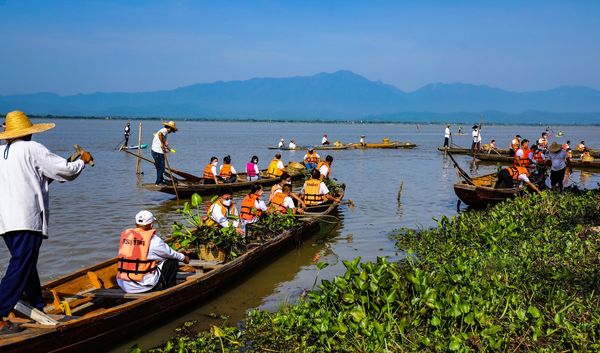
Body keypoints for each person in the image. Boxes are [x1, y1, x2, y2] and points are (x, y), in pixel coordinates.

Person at [0, 111, 92, 334]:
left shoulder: (2, 152)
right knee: (22, 263)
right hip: (26, 218)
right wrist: (82, 161)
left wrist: (70, 161)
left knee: (26, 263)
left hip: (5, 220)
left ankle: (35, 303)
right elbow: (66, 172)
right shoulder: (32, 148)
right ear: (28, 133)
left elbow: (38, 175)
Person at [116, 211, 189, 294]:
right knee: (172, 261)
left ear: (136, 224)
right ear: (151, 225)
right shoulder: (154, 240)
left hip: (123, 285)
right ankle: (170, 290)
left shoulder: (126, 236)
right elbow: (171, 254)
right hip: (143, 286)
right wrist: (184, 257)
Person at [151, 121, 177, 186]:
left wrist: (167, 148)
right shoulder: (164, 130)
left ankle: (161, 180)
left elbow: (163, 140)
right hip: (157, 152)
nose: (171, 131)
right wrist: (162, 144)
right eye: (172, 130)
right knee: (161, 167)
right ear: (170, 128)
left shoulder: (165, 132)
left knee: (161, 167)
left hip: (157, 151)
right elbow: (160, 134)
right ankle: (158, 182)